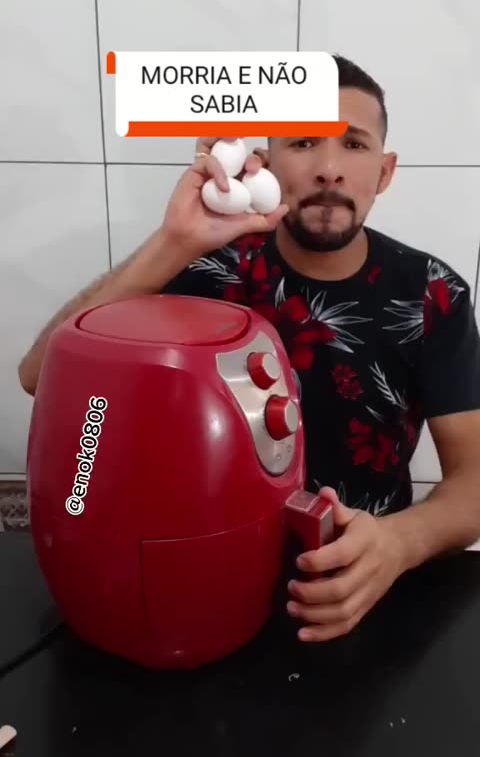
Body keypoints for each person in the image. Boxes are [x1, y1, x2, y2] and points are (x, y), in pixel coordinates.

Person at [18, 55, 480, 643]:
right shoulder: (208, 269)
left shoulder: (431, 294)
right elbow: (39, 375)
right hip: (203, 585)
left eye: (354, 144)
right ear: (268, 162)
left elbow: (474, 480)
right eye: (304, 143)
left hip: (363, 588)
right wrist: (175, 241)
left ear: (384, 171)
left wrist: (398, 543)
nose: (329, 169)